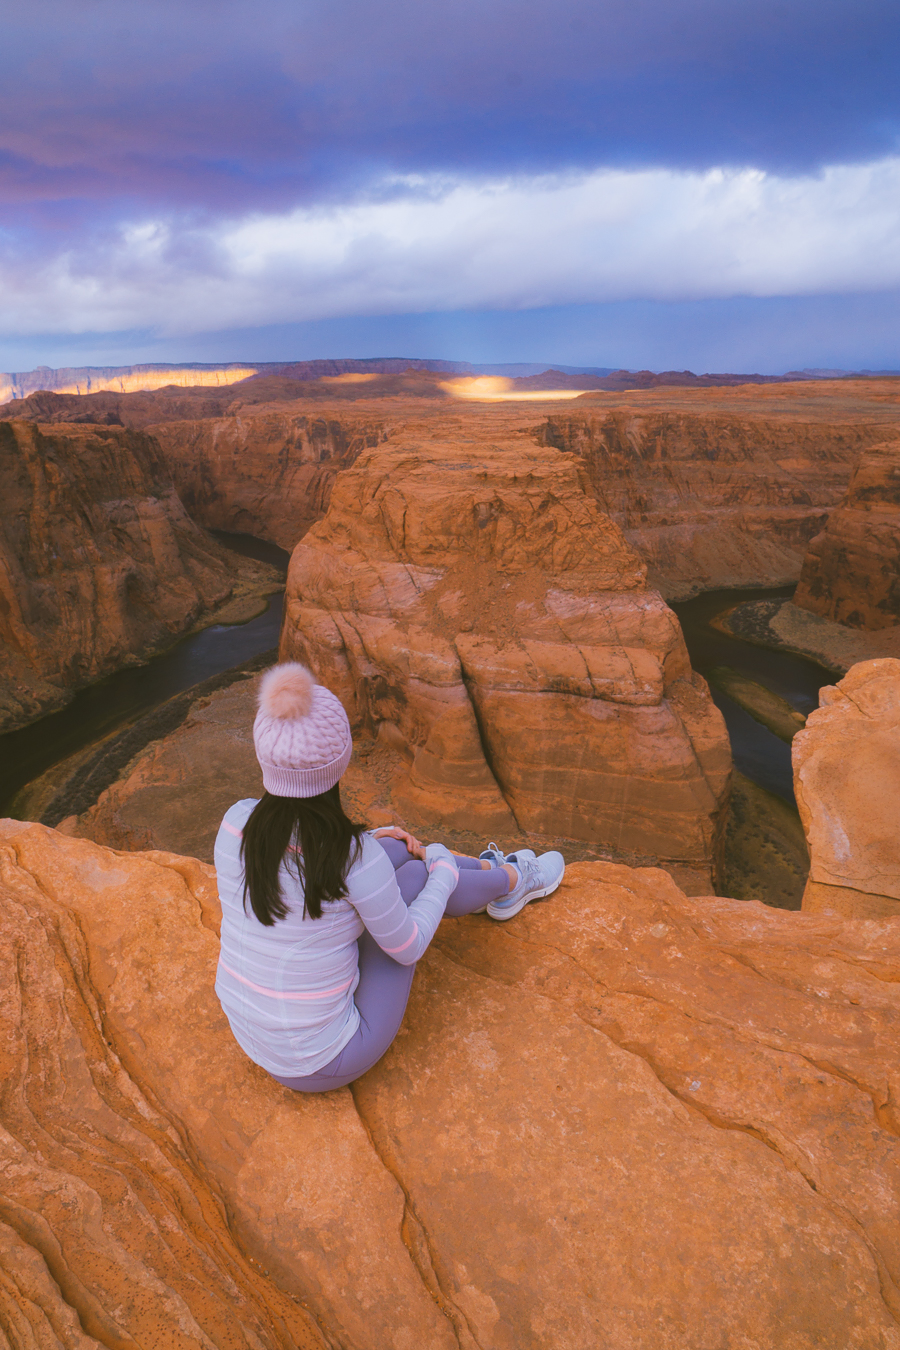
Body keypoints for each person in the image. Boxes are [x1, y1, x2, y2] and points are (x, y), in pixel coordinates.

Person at [214, 662, 565, 1092]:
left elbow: (307, 859)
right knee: (417, 877)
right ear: (338, 763)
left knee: (398, 851)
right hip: (324, 1061)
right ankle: (511, 881)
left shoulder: (235, 822)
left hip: (255, 1038)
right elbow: (408, 947)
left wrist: (379, 843)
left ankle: (494, 870)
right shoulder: (354, 857)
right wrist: (443, 869)